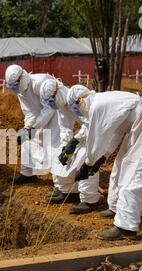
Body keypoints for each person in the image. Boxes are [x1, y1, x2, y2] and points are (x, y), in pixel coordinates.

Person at [70, 87, 142, 240]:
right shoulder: (104, 103)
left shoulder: (97, 106)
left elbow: (96, 138)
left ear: (80, 100)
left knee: (135, 173)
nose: (78, 111)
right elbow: (115, 133)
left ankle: (126, 227)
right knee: (120, 166)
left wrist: (88, 164)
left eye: (76, 107)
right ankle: (116, 208)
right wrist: (102, 158)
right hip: (137, 126)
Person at [39, 80, 101, 214]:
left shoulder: (76, 97)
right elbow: (65, 127)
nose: (52, 105)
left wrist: (74, 141)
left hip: (96, 132)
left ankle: (89, 200)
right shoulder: (61, 106)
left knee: (86, 156)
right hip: (84, 134)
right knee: (61, 154)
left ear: (58, 91)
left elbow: (89, 124)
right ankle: (69, 192)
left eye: (51, 101)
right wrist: (65, 147)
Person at [4, 65, 58, 185]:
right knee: (26, 140)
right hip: (40, 117)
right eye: (11, 87)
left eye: (15, 85)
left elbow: (50, 108)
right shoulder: (21, 92)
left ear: (22, 77)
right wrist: (27, 128)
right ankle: (27, 174)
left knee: (55, 146)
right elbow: (29, 112)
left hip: (57, 115)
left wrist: (34, 127)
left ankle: (62, 185)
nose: (14, 89)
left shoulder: (40, 82)